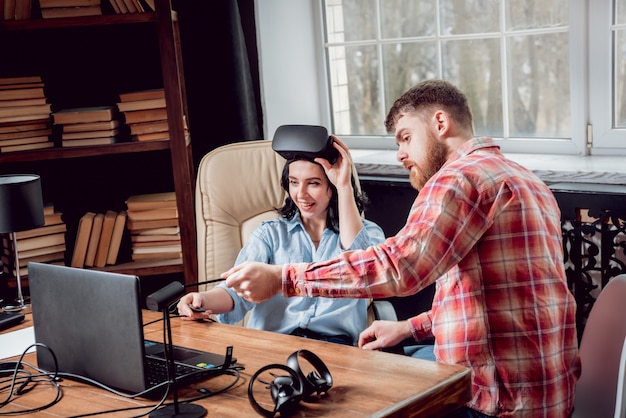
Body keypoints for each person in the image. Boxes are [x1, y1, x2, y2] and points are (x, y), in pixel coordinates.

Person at [222, 80, 581, 417]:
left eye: (406, 138)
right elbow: (494, 300)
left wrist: (286, 278)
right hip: (547, 395)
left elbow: (400, 267)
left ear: (440, 122)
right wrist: (410, 328)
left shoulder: (457, 179)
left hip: (493, 403)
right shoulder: (526, 180)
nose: (400, 154)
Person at [177, 138, 385, 346]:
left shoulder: (369, 232)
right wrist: (200, 300)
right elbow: (236, 292)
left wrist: (344, 186)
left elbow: (363, 272)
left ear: (332, 184)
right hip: (274, 344)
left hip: (335, 348)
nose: (301, 194)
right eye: (294, 182)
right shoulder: (269, 234)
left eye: (313, 183)